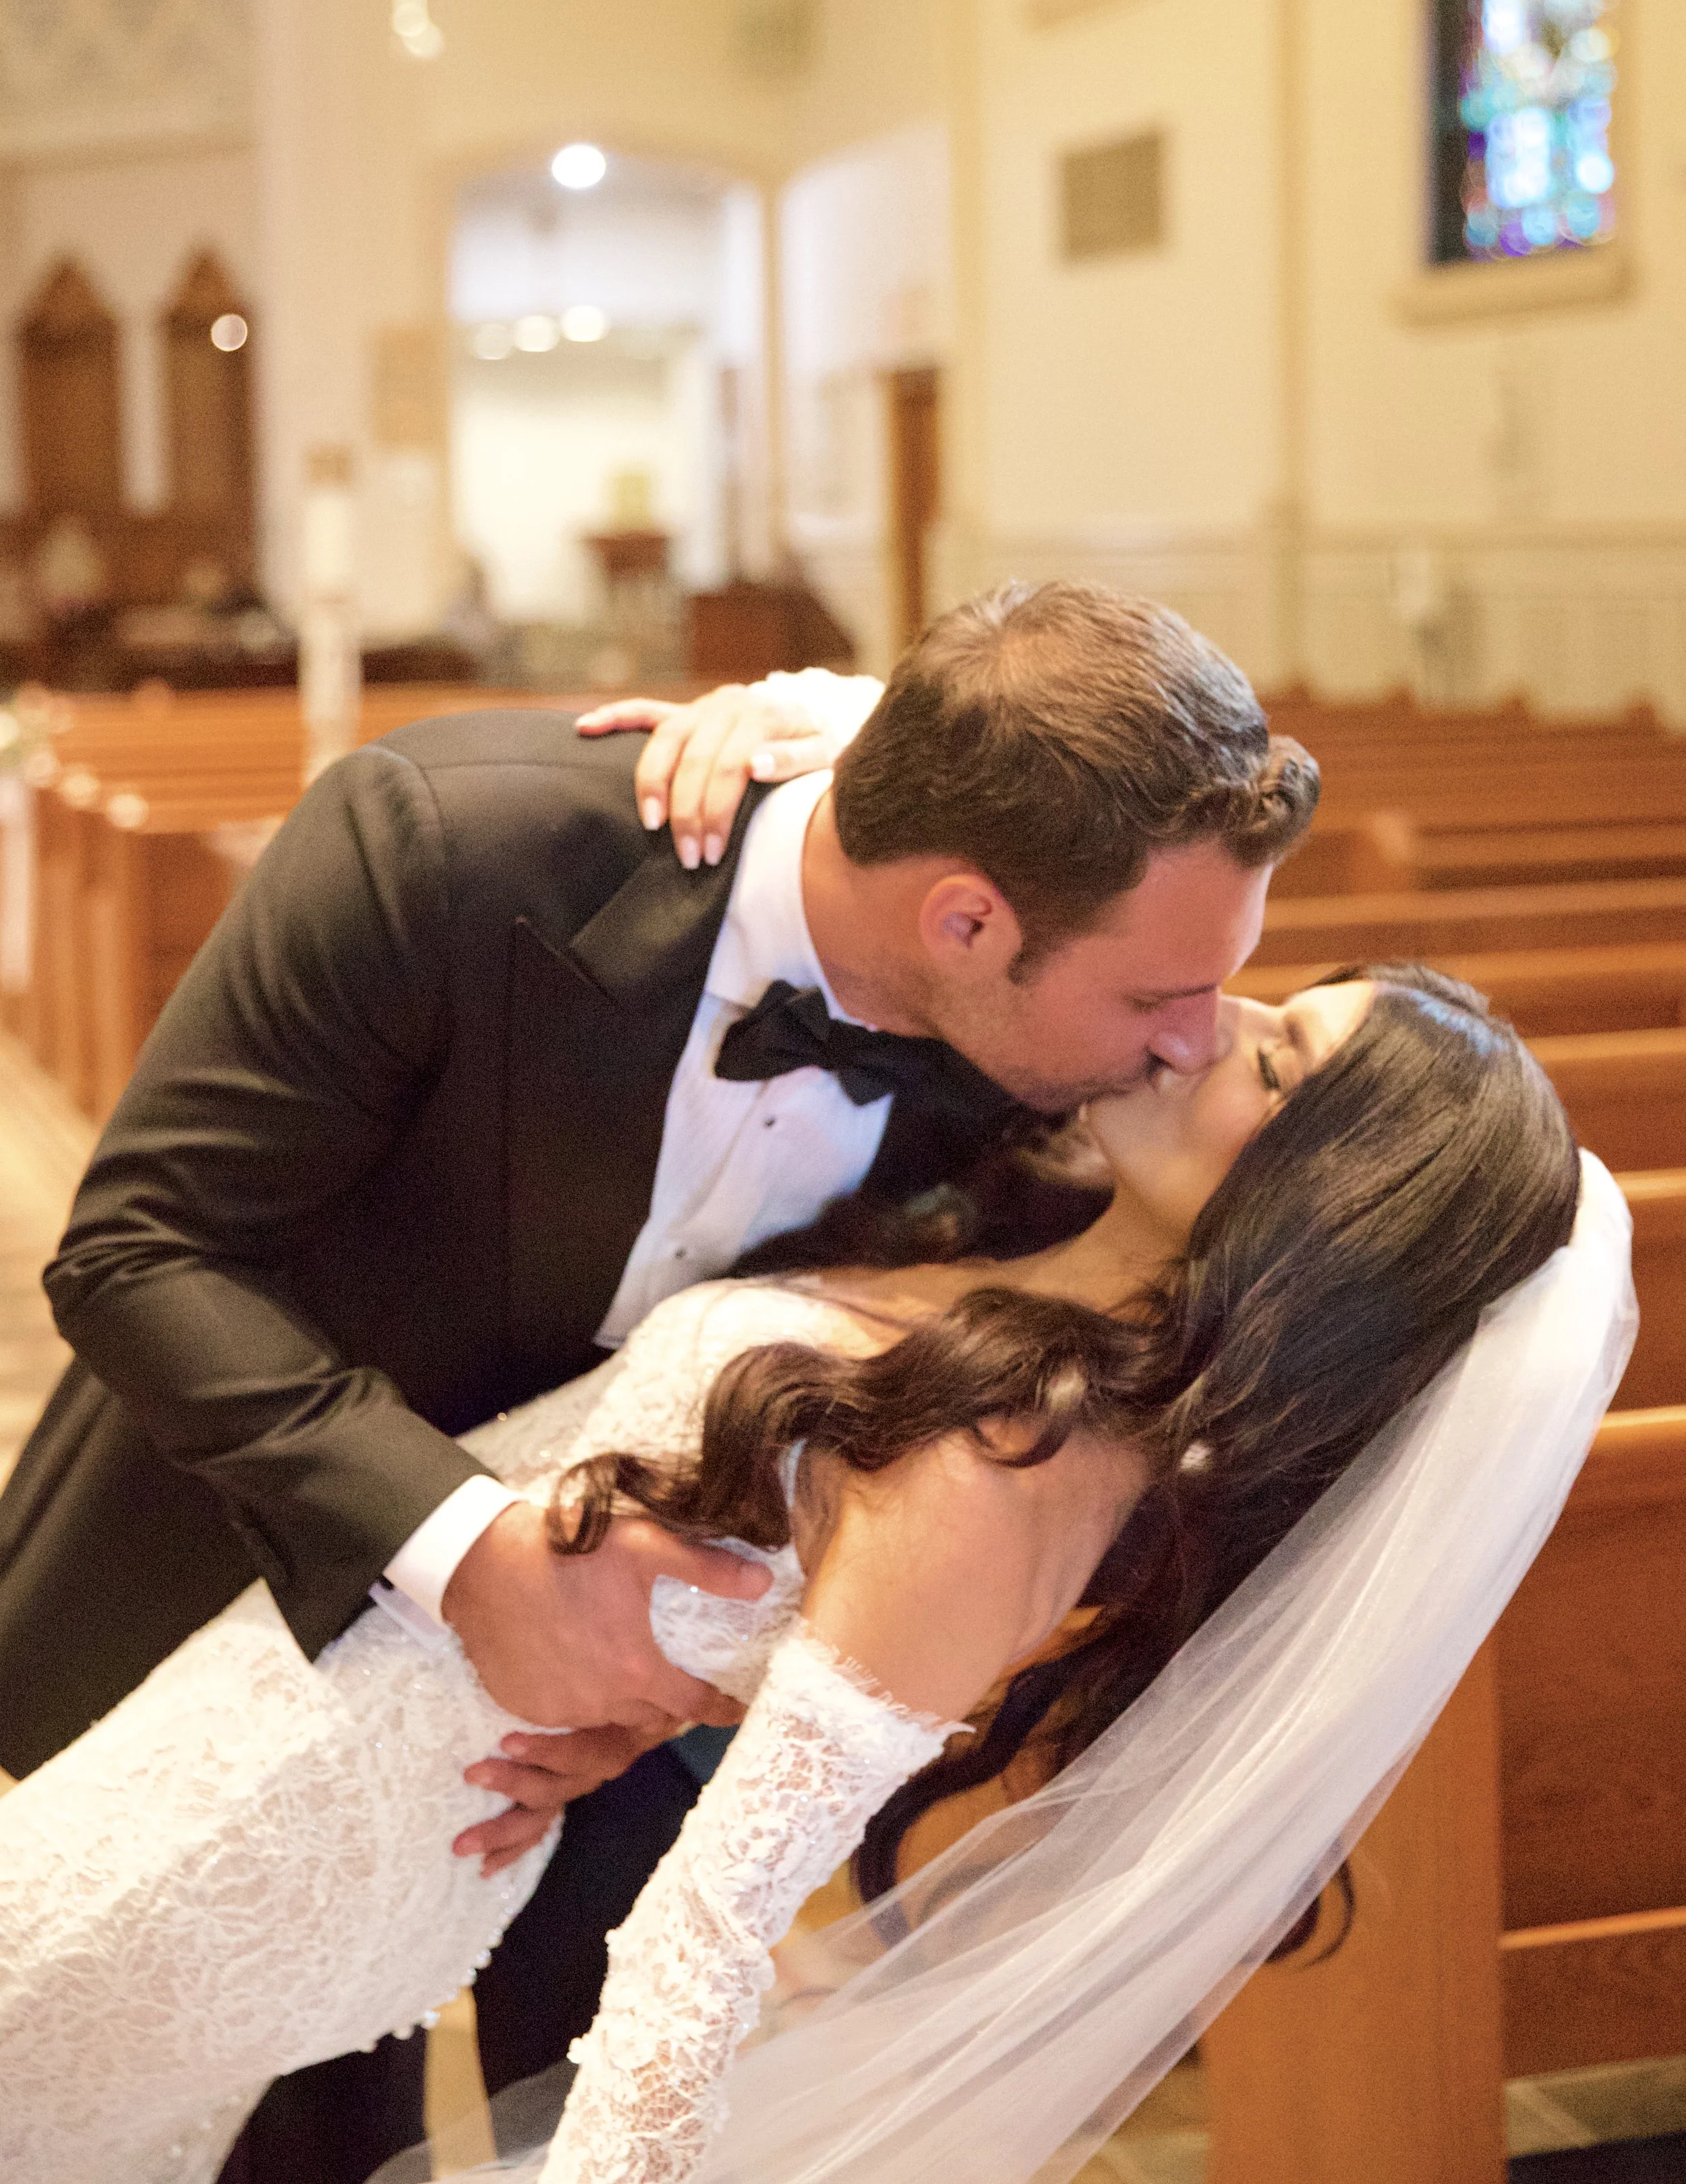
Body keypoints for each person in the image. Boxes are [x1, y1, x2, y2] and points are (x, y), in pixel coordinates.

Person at [0, 583, 1316, 2181]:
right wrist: (469, 1552)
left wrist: (674, 1683)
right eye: (1152, 995)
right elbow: (140, 1250)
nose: (1189, 1039)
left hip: (603, 1739)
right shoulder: (442, 847)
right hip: (222, 1602)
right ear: (963, 920)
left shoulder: (1045, 1084)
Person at [0, 960, 1627, 2184]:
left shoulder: (1020, 1457)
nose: (1206, 1016)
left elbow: (709, 1931)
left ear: (1317, 1209)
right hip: (271, 1720)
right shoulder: (1036, 1243)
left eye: (1270, 1060)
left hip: (298, 1825)